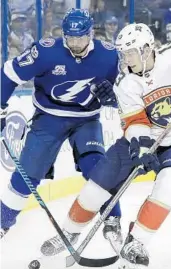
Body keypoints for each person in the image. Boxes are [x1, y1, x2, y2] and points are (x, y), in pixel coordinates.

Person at [39, 23, 171, 269]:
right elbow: (135, 122)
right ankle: (70, 231)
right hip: (139, 142)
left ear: (147, 49)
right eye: (122, 53)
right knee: (96, 186)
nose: (124, 58)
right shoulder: (125, 80)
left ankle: (136, 243)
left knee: (170, 184)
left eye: (129, 52)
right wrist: (141, 149)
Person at [0, 8, 122, 254]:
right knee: (27, 175)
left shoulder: (110, 56)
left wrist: (113, 96)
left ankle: (113, 220)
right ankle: (2, 223)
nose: (75, 43)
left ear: (91, 34)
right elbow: (8, 73)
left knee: (97, 169)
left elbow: (130, 88)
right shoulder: (45, 51)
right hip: (49, 118)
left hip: (87, 120)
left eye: (80, 37)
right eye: (70, 37)